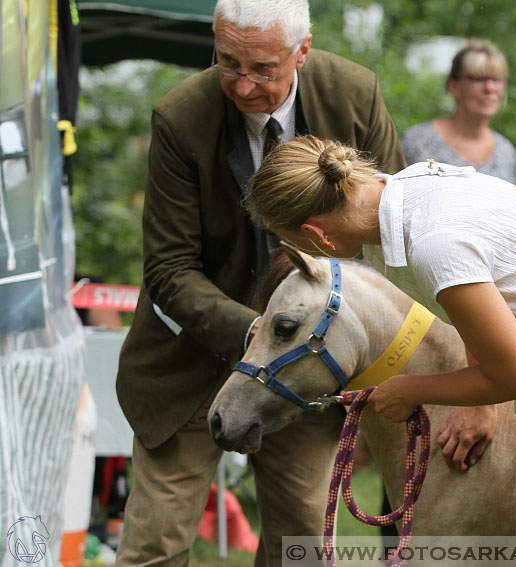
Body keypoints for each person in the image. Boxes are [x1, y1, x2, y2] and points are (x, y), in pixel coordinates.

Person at [248, 135, 516, 566]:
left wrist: (410, 388)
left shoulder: (433, 242)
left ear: (316, 234)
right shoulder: (404, 194)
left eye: (296, 243)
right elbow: (488, 298)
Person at [113, 1, 406, 565]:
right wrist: (263, 332)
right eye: (228, 63)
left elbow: (389, 234)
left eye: (264, 69)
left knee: (299, 546)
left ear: (303, 50)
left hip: (308, 361)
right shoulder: (180, 116)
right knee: (156, 544)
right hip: (190, 361)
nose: (243, 86)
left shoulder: (354, 94)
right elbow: (168, 270)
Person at [400, 39, 516, 183]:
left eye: (497, 80)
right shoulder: (416, 142)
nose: (490, 88)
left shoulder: (505, 151)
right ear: (453, 85)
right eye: (478, 79)